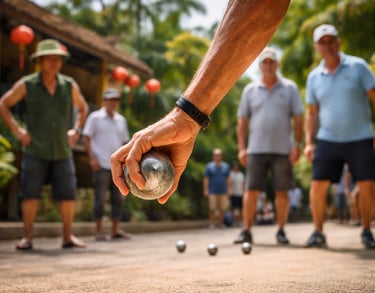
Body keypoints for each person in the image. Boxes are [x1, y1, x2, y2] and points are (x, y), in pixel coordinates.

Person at [110, 0, 291, 205]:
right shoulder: (251, 91)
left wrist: (185, 116)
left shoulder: (288, 88)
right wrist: (187, 118)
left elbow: (259, 6)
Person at [0, 39, 89, 250]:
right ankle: (27, 238)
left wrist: (75, 131)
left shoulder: (69, 85)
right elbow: (4, 104)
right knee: (30, 194)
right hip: (35, 149)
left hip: (62, 149)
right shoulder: (27, 84)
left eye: (57, 59)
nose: (54, 63)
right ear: (39, 61)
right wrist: (17, 130)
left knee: (68, 195)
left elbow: (83, 108)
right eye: (49, 59)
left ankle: (68, 237)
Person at [304, 24, 375, 249]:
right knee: (317, 185)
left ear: (338, 42)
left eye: (331, 40)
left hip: (361, 137)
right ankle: (318, 232)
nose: (327, 46)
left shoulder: (358, 66)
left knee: (366, 185)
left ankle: (366, 231)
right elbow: (312, 113)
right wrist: (307, 142)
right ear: (317, 47)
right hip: (327, 139)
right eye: (322, 42)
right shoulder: (314, 77)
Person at [233, 47, 304, 245]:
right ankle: (246, 230)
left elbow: (299, 119)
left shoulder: (290, 88)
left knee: (282, 191)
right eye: (265, 62)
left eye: (271, 61)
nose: (268, 65)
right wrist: (241, 147)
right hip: (256, 149)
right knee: (251, 190)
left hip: (283, 150)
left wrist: (297, 144)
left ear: (277, 64)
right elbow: (243, 122)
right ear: (260, 66)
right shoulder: (250, 90)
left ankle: (281, 230)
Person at [82, 88, 131, 241]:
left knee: (119, 198)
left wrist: (125, 164)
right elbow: (86, 138)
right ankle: (98, 231)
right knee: (100, 198)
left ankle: (115, 230)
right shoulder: (95, 117)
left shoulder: (121, 120)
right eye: (110, 100)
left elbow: (125, 143)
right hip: (101, 164)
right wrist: (92, 159)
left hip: (118, 167)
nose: (112, 103)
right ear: (104, 101)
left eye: (115, 100)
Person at [203, 148, 231, 228]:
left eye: (218, 155)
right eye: (215, 155)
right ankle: (212, 223)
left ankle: (221, 223)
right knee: (212, 208)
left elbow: (228, 179)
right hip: (212, 191)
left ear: (221, 156)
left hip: (223, 190)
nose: (217, 156)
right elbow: (206, 179)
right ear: (213, 156)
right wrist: (206, 189)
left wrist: (229, 189)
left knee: (223, 209)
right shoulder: (209, 166)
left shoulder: (226, 166)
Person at [229, 161, 245, 226]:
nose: (236, 167)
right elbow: (229, 183)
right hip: (233, 193)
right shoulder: (230, 174)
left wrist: (244, 191)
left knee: (240, 208)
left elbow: (243, 184)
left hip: (240, 193)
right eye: (235, 166)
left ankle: (240, 221)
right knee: (233, 208)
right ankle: (234, 221)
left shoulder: (241, 174)